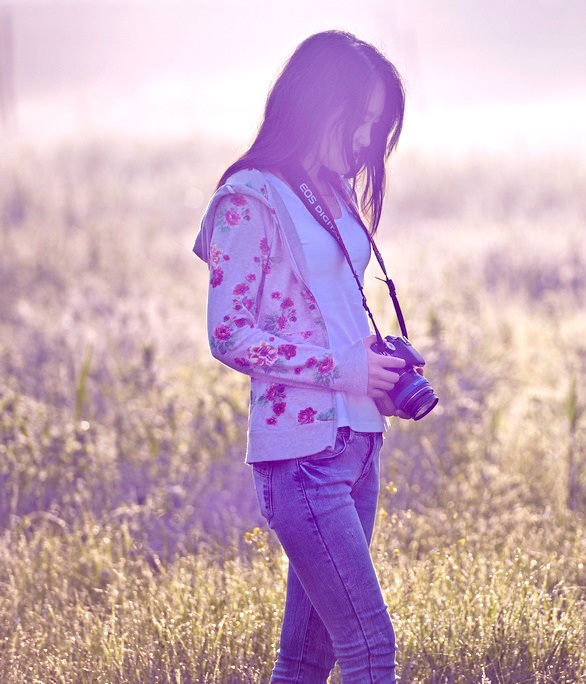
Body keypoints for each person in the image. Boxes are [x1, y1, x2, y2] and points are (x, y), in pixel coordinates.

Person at [192, 30, 409, 683]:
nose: (368, 140)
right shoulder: (249, 197)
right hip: (302, 456)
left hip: (358, 444)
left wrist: (377, 364)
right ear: (320, 104)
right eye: (361, 119)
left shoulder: (334, 194)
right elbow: (229, 333)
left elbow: (326, 314)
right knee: (371, 648)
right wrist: (341, 369)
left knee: (307, 659)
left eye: (377, 125)